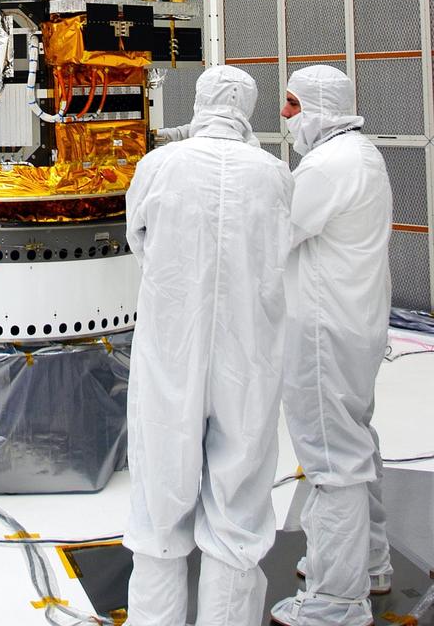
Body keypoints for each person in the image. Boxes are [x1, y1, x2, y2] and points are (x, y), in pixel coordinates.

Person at [125, 66, 293, 626]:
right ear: (247, 105)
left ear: (198, 101)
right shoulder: (273, 174)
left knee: (159, 490)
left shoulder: (159, 166)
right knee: (240, 490)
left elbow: (137, 238)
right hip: (250, 351)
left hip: (172, 343)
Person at [270, 66, 392, 626]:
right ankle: (367, 561)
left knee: (331, 458)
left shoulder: (327, 165)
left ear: (320, 107)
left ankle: (336, 602)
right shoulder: (361, 153)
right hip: (356, 323)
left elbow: (278, 230)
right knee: (354, 440)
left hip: (323, 331)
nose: (285, 116)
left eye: (293, 105)